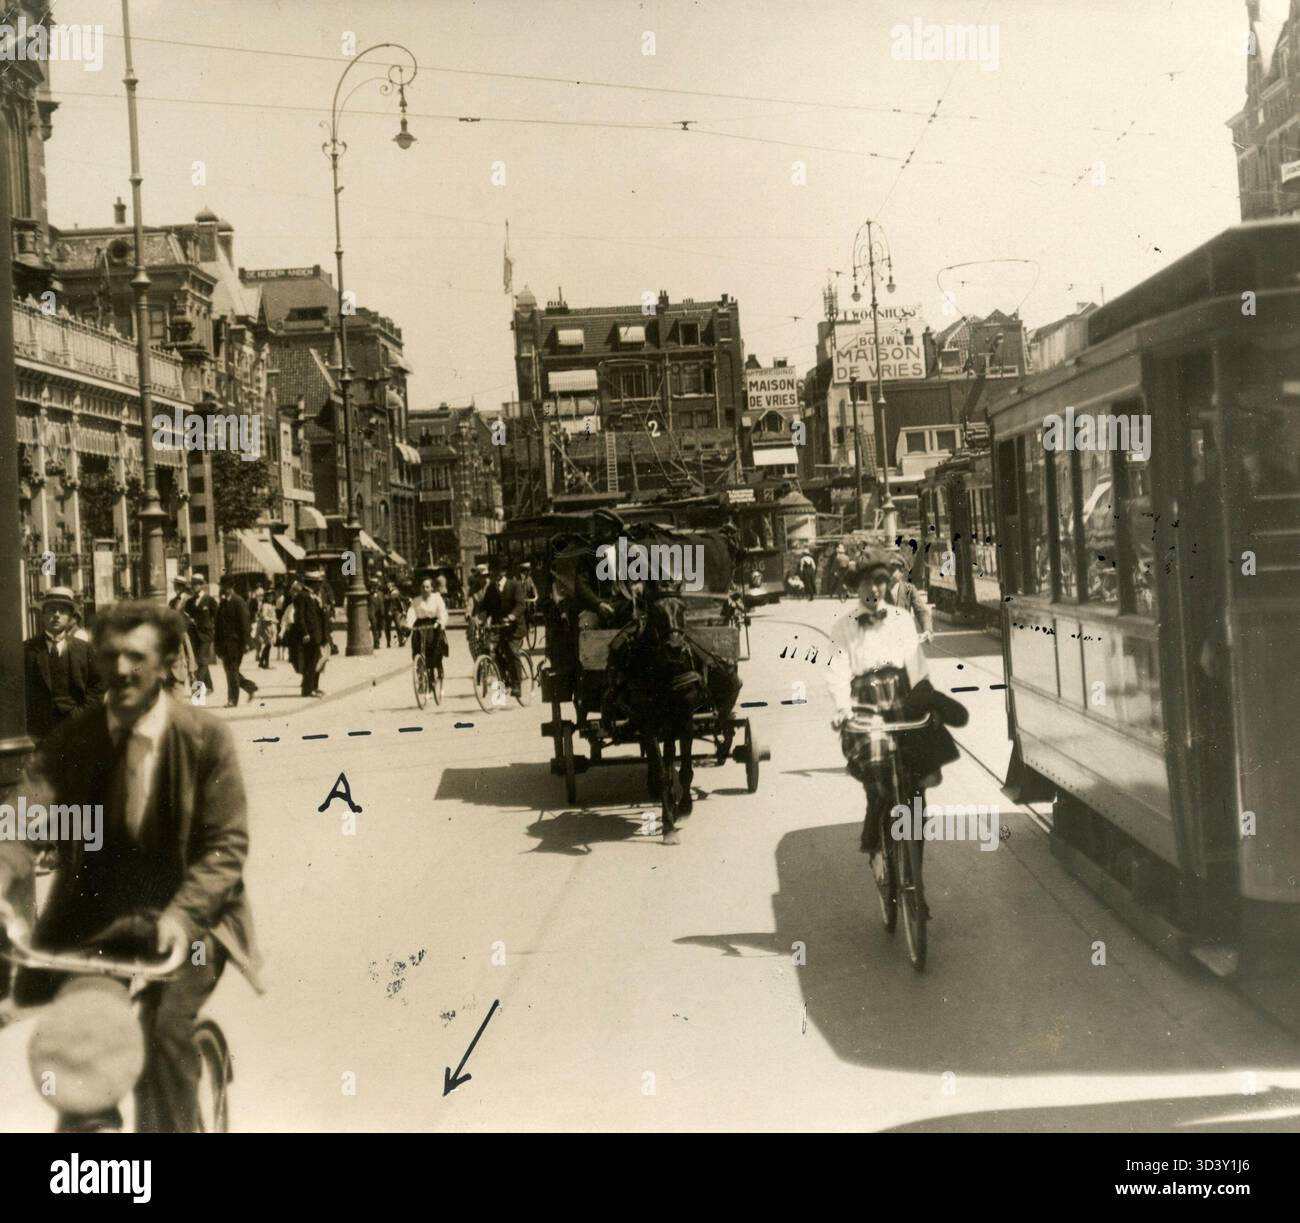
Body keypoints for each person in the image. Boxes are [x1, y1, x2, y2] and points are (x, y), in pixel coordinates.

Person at [0, 600, 263, 1132]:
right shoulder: (78, 740)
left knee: (163, 1032)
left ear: (166, 663)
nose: (122, 670)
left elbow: (225, 847)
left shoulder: (205, 740)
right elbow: (24, 818)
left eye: (137, 657)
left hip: (193, 924)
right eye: (111, 657)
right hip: (105, 923)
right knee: (80, 1045)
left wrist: (181, 917)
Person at [827, 549, 961, 900]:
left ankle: (914, 873)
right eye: (869, 582)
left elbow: (916, 666)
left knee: (919, 783)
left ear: (889, 585)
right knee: (880, 774)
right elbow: (838, 671)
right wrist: (842, 709)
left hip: (901, 702)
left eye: (882, 581)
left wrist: (924, 697)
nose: (876, 588)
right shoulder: (843, 627)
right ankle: (875, 842)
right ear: (858, 587)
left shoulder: (902, 620)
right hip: (863, 706)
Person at [22, 587, 103, 743]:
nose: (56, 615)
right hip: (39, 733)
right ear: (43, 615)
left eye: (62, 611)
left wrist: (81, 714)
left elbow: (98, 685)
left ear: (70, 616)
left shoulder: (84, 649)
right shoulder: (28, 650)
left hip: (76, 729)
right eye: (51, 610)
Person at [478, 559, 527, 695]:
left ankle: (517, 685)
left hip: (514, 627)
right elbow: (485, 607)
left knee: (512, 651)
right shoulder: (491, 589)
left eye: (497, 571)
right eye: (492, 572)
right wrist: (481, 619)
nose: (494, 575)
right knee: (495, 652)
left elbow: (520, 605)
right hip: (499, 626)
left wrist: (512, 616)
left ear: (504, 572)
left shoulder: (514, 585)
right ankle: (504, 679)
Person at [214, 576, 258, 708]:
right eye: (222, 586)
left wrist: (245, 643)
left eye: (225, 587)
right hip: (224, 644)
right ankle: (250, 687)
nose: (223, 589)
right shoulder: (222, 603)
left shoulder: (239, 601)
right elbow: (218, 625)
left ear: (231, 587)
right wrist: (217, 645)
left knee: (231, 671)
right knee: (231, 671)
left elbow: (245, 624)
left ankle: (232, 700)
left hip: (236, 643)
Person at [404, 575, 449, 681]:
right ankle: (420, 674)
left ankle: (438, 666)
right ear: (420, 588)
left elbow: (442, 611)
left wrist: (441, 622)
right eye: (423, 587)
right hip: (420, 625)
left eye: (427, 587)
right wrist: (409, 625)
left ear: (431, 588)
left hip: (433, 624)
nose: (425, 589)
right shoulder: (416, 601)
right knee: (417, 647)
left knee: (434, 647)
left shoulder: (436, 598)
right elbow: (411, 613)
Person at [293, 571, 328, 697]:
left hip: (317, 634)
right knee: (310, 663)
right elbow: (300, 616)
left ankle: (313, 686)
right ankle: (307, 690)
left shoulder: (313, 595)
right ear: (312, 583)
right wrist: (305, 633)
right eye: (318, 583)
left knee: (316, 661)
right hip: (310, 635)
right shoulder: (303, 596)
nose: (319, 586)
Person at [887, 551, 934, 642]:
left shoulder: (909, 589)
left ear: (901, 572)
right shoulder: (878, 590)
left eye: (892, 570)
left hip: (905, 638)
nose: (888, 573)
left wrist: (927, 630)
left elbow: (921, 611)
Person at [182, 572, 216, 696]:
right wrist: (189, 621)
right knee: (201, 661)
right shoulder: (190, 602)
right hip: (194, 636)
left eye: (197, 584)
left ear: (202, 585)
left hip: (206, 635)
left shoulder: (209, 600)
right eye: (193, 584)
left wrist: (213, 630)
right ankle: (210, 686)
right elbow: (186, 616)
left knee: (201, 661)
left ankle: (197, 691)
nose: (194, 586)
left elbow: (216, 616)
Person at [370, 581, 391, 650]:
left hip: (380, 614)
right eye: (373, 586)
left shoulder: (381, 593)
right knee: (374, 628)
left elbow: (386, 600)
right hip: (373, 614)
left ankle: (377, 639)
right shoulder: (369, 594)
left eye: (376, 586)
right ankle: (376, 644)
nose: (375, 588)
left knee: (379, 630)